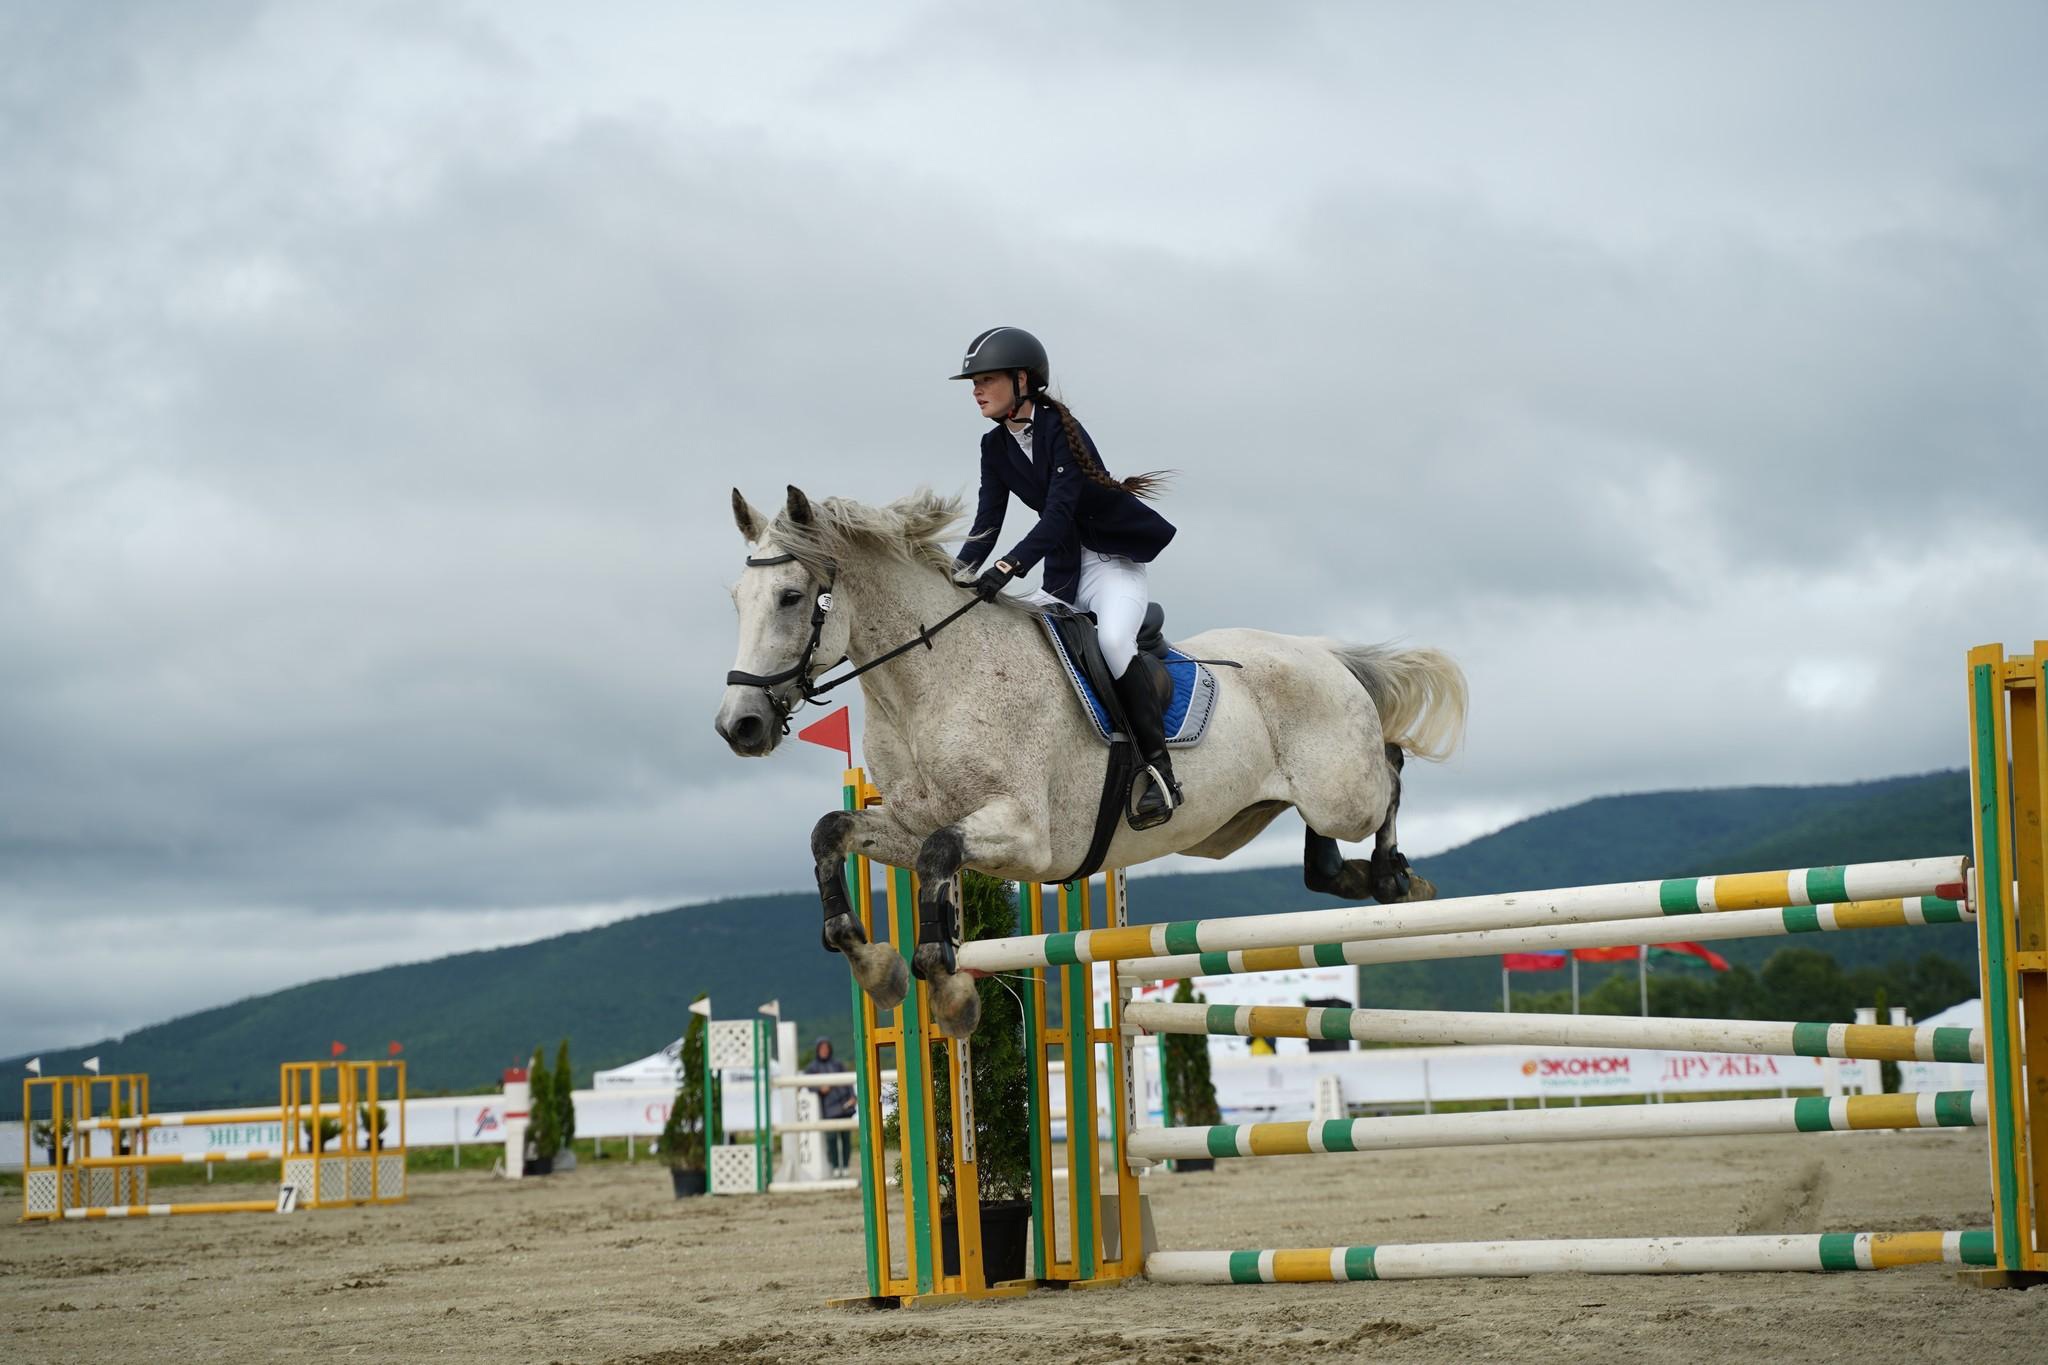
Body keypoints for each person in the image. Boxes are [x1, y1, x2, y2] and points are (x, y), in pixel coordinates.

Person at [950, 325, 1185, 827]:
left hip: (1109, 564)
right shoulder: (995, 447)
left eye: (986, 379)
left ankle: (1158, 769)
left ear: (1021, 381)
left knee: (1115, 644)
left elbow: (1057, 517)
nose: (976, 389)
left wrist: (1008, 568)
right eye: (973, 381)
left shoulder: (1059, 428)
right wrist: (959, 574)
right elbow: (987, 521)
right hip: (1062, 572)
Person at [802, 1037, 855, 1176]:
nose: (824, 1051)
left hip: (844, 1105)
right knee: (831, 1139)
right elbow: (806, 1084)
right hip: (829, 1108)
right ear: (817, 1050)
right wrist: (819, 1089)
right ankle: (836, 1167)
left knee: (846, 1139)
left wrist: (853, 1097)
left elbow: (848, 1081)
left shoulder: (838, 1064)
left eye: (826, 1048)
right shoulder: (812, 1067)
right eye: (822, 1049)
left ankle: (846, 1167)